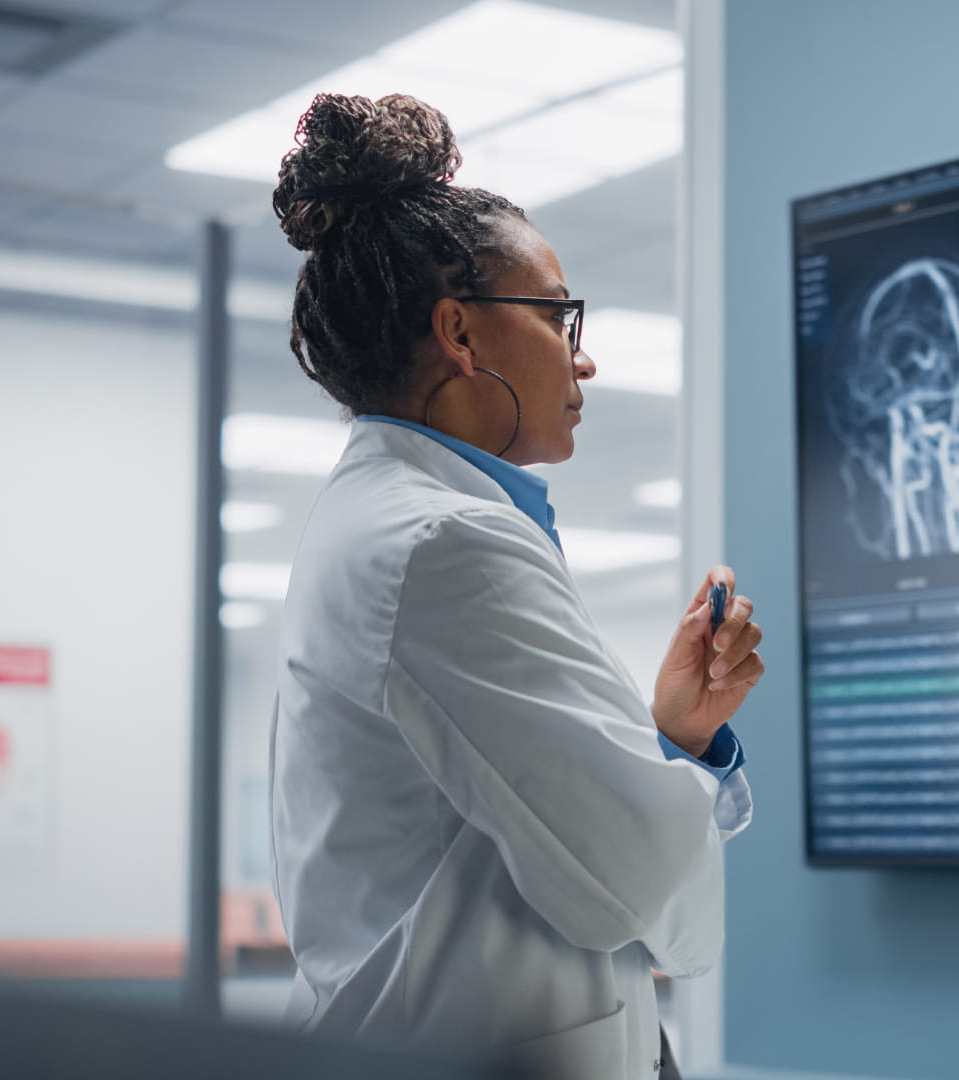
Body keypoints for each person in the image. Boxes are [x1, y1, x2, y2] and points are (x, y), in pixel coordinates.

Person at [269, 93, 763, 1080]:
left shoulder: (393, 519)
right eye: (557, 316)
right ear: (460, 332)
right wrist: (671, 781)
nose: (583, 356)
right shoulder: (444, 543)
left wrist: (675, 739)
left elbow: (531, 824)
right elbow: (637, 877)